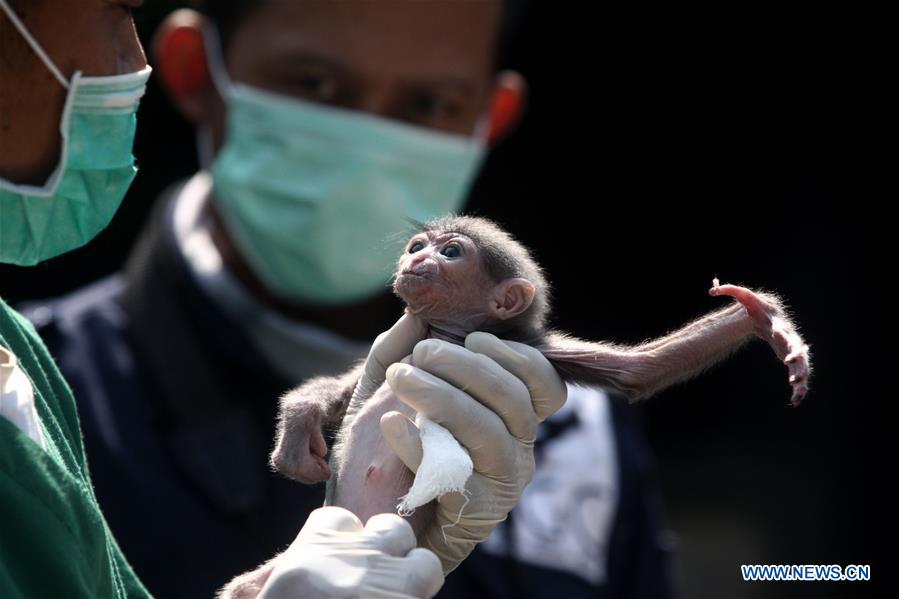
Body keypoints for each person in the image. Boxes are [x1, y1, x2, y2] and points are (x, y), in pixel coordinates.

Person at [17, 1, 672, 598]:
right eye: (312, 84)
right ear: (194, 71)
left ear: (488, 118)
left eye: (427, 104)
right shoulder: (31, 400)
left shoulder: (567, 432)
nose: (365, 145)